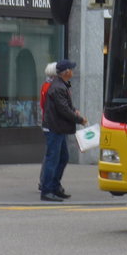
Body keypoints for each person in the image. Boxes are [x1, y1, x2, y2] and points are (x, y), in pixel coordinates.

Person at [40, 59, 86, 202]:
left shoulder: (61, 85)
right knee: (53, 159)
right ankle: (47, 190)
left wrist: (74, 111)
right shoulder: (58, 87)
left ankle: (54, 186)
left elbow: (66, 106)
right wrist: (79, 119)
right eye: (71, 69)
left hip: (57, 127)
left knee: (62, 158)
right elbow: (64, 109)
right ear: (66, 72)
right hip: (54, 127)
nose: (73, 71)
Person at [37, 61, 57, 193]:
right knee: (51, 155)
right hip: (52, 124)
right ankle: (45, 182)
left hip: (48, 123)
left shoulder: (46, 85)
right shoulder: (51, 87)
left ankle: (45, 180)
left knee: (51, 154)